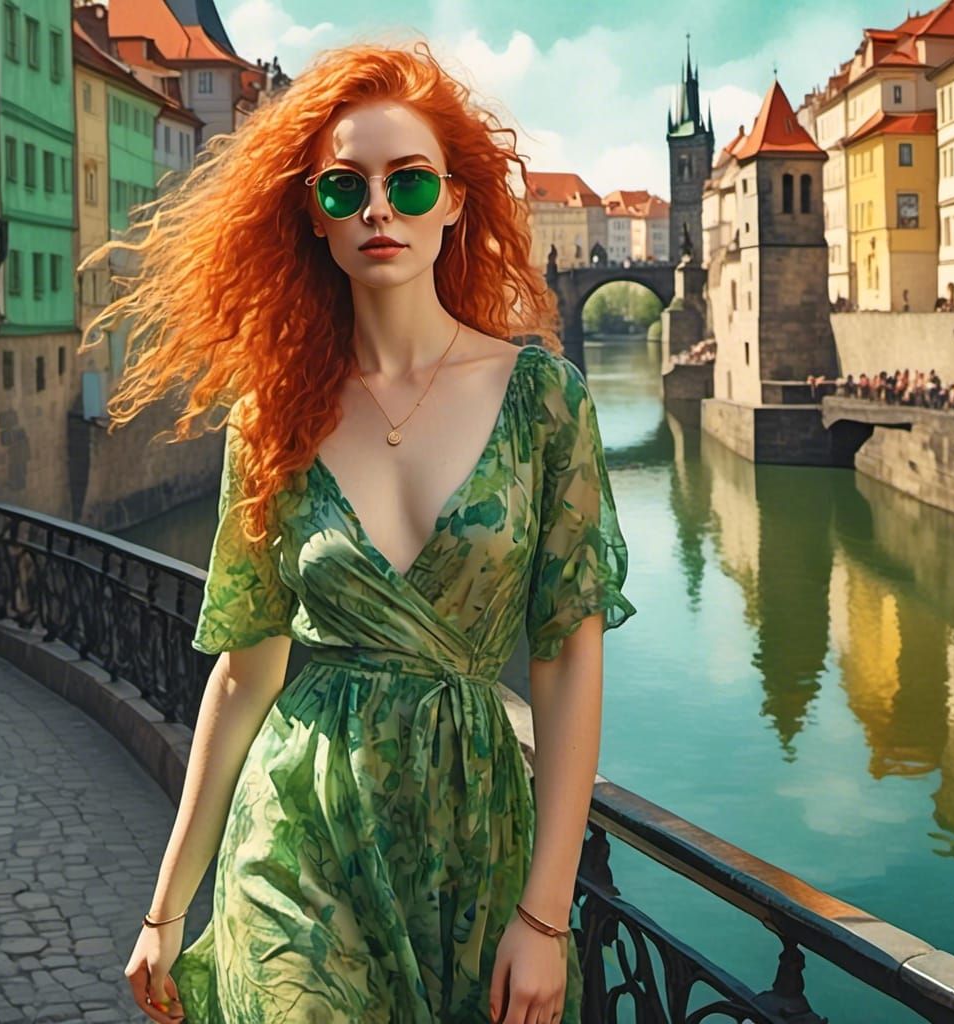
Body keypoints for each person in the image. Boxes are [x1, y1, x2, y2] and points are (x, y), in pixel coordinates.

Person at [83, 41, 637, 1024]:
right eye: (345, 188)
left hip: (471, 839)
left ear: (454, 201)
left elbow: (566, 660)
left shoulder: (544, 402)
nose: (378, 208)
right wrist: (166, 908)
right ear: (314, 215)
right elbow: (245, 673)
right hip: (294, 839)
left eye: (408, 181)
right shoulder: (271, 419)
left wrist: (547, 913)